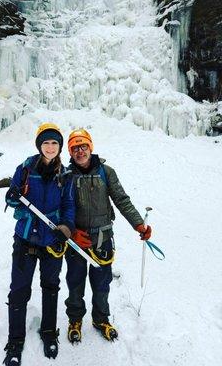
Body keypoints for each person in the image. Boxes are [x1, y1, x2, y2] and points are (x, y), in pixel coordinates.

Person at [65, 128, 152, 343]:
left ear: (90, 147)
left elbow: (121, 200)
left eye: (83, 146)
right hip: (76, 240)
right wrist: (72, 233)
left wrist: (138, 224)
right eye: (75, 148)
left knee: (101, 283)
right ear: (70, 152)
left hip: (102, 237)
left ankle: (101, 319)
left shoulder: (107, 172)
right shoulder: (65, 176)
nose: (80, 151)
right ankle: (75, 319)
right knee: (75, 282)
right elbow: (60, 208)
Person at [4, 123, 75, 366]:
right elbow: (11, 197)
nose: (50, 147)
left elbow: (68, 206)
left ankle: (48, 332)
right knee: (19, 291)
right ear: (39, 145)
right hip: (25, 238)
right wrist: (12, 198)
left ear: (59, 147)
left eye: (55, 143)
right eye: (46, 142)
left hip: (52, 241)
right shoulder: (24, 169)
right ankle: (15, 341)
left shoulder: (64, 175)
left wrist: (66, 227)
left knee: (51, 287)